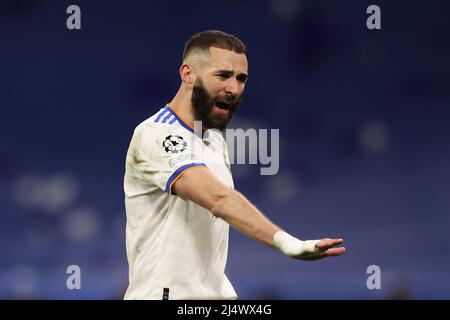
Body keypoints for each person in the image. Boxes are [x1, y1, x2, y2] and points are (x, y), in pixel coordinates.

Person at [123, 30, 345, 300]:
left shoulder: (214, 139)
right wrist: (288, 243)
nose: (234, 88)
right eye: (223, 75)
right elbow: (218, 199)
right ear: (187, 74)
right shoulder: (156, 134)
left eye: (241, 79)